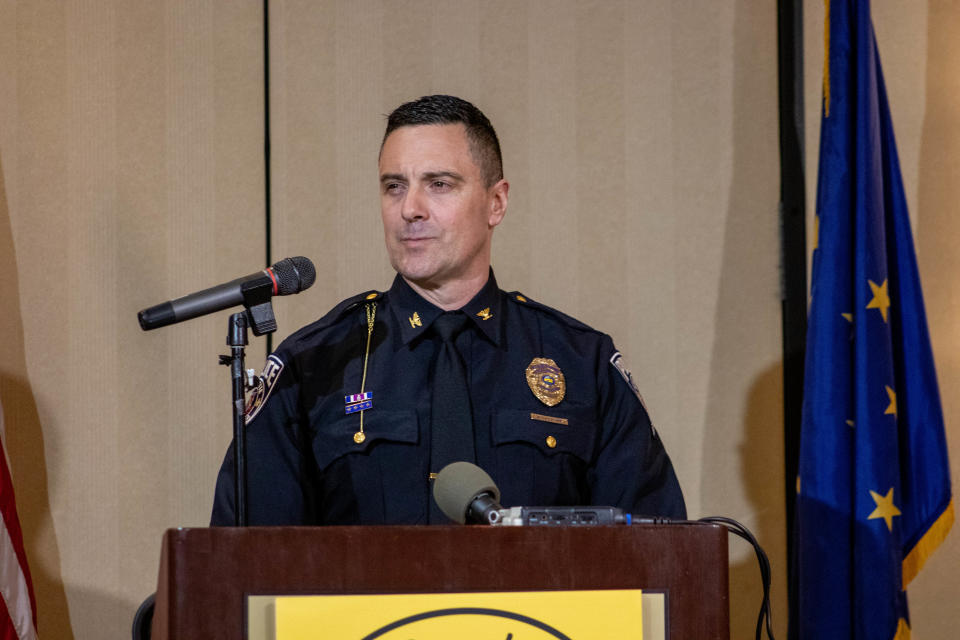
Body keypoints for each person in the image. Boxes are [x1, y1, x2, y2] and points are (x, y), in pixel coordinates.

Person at [211, 95, 685, 525]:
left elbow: (655, 550)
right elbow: (246, 563)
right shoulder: (314, 365)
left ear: (495, 203)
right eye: (394, 186)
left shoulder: (582, 362)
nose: (410, 209)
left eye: (439, 184)